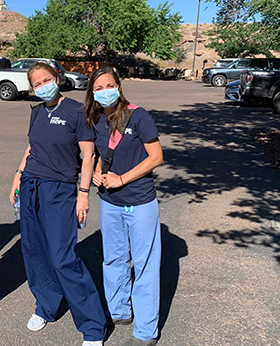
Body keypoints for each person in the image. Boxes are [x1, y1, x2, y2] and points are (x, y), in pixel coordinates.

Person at [10, 62, 107, 346]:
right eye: (36, 84)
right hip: (31, 185)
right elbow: (32, 147)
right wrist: (18, 175)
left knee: (63, 257)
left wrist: (84, 193)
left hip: (60, 190)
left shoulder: (77, 111)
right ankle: (46, 305)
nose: (42, 86)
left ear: (57, 78)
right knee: (34, 251)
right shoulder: (37, 111)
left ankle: (92, 326)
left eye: (46, 80)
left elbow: (88, 156)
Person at [87, 66, 164, 346]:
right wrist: (97, 171)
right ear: (93, 93)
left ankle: (146, 330)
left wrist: (123, 178)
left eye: (109, 85)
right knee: (114, 259)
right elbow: (98, 153)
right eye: (99, 88)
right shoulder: (95, 119)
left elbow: (156, 156)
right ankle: (119, 310)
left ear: (118, 87)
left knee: (144, 265)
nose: (105, 91)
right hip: (109, 202)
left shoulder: (138, 115)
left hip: (140, 201)